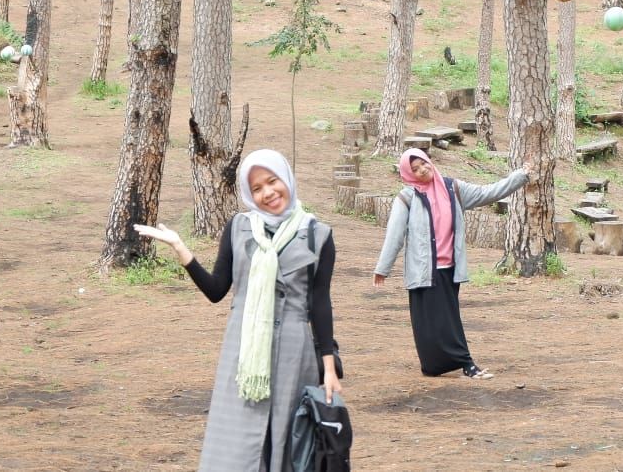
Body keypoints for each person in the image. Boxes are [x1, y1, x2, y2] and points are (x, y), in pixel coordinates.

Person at [135, 149, 340, 472]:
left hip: (293, 352)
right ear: (248, 194)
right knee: (236, 444)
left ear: (286, 179)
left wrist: (328, 368)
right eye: (257, 188)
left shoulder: (317, 234)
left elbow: (319, 303)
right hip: (243, 351)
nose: (267, 193)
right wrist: (180, 247)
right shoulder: (239, 228)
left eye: (272, 181)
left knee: (287, 438)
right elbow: (217, 290)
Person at [373, 148, 527, 379]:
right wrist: (382, 268)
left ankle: (466, 364)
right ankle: (434, 366)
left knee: (448, 319)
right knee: (426, 324)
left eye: (424, 163)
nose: (422, 170)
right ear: (409, 174)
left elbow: (489, 192)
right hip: (423, 270)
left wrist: (520, 176)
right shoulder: (407, 198)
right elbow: (394, 236)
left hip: (450, 268)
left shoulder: (452, 188)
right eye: (415, 169)